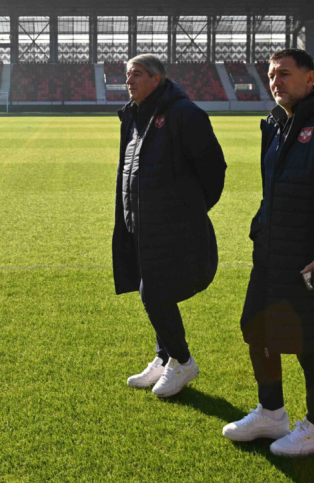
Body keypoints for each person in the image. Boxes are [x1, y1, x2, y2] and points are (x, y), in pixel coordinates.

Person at [222, 48, 314, 456]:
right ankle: (271, 412)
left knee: (312, 342)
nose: (276, 81)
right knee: (258, 330)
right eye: (271, 75)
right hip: (272, 253)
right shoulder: (275, 125)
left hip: (311, 258)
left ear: (310, 78)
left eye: (284, 73)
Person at [112, 53, 227, 398]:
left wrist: (189, 210)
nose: (129, 81)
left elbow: (214, 170)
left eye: (137, 74)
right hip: (141, 224)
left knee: (155, 292)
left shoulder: (184, 114)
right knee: (150, 286)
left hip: (173, 226)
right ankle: (163, 358)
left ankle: (182, 360)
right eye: (127, 75)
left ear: (157, 79)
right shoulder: (134, 116)